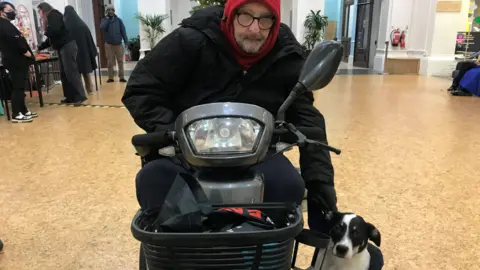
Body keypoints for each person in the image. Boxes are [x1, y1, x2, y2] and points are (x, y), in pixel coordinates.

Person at [122, 0, 384, 269]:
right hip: (183, 151)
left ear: (276, 19)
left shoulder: (287, 54)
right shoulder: (190, 40)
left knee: (288, 186)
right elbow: (141, 89)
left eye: (265, 19)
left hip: (258, 155)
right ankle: (170, 257)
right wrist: (173, 131)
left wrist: (321, 194)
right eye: (246, 17)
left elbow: (307, 118)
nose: (255, 29)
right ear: (230, 15)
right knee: (154, 180)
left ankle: (264, 259)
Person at [37, 2, 87, 105]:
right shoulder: (51, 17)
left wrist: (45, 32)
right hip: (62, 47)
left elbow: (54, 30)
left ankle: (80, 96)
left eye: (39, 11)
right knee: (64, 73)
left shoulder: (53, 15)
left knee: (71, 71)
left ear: (43, 10)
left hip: (67, 46)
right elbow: (51, 39)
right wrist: (39, 48)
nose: (39, 14)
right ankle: (69, 96)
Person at [0, 1, 38, 123]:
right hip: (14, 60)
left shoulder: (7, 24)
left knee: (21, 87)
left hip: (18, 60)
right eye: (9, 10)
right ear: (1, 12)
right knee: (17, 87)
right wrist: (25, 52)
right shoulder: (3, 25)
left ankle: (24, 110)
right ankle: (16, 113)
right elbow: (15, 41)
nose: (12, 12)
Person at [63, 5, 98, 95]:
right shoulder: (82, 24)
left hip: (71, 52)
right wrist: (92, 51)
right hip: (84, 52)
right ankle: (90, 89)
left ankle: (79, 92)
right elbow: (89, 39)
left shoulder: (65, 25)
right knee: (86, 71)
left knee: (75, 73)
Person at [100, 4, 128, 83]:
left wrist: (126, 42)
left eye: (112, 9)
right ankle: (111, 77)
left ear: (114, 11)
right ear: (107, 12)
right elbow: (102, 27)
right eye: (109, 10)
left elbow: (123, 31)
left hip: (118, 44)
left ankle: (121, 77)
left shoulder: (119, 20)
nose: (110, 11)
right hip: (109, 45)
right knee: (110, 62)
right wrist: (107, 19)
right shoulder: (104, 20)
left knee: (120, 61)